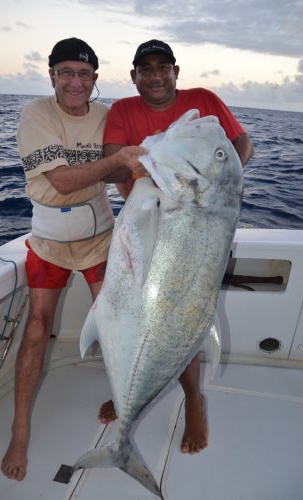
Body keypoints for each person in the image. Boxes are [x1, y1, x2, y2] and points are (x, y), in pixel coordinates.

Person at [1, 37, 146, 481]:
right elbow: (62, 182)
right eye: (66, 72)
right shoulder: (36, 115)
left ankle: (124, 406)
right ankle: (20, 432)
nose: (75, 82)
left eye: (84, 74)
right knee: (37, 329)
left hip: (100, 236)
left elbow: (127, 168)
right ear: (52, 76)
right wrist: (118, 161)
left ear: (95, 79)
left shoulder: (108, 116)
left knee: (119, 324)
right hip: (48, 240)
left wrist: (136, 184)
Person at [100, 39, 254, 455]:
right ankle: (129, 391)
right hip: (152, 216)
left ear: (175, 71)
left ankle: (194, 401)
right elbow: (115, 163)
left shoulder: (203, 100)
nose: (155, 75)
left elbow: (242, 145)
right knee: (126, 315)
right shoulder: (122, 111)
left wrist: (219, 175)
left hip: (191, 226)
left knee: (181, 317)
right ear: (134, 75)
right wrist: (147, 185)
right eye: (145, 68)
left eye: (163, 67)